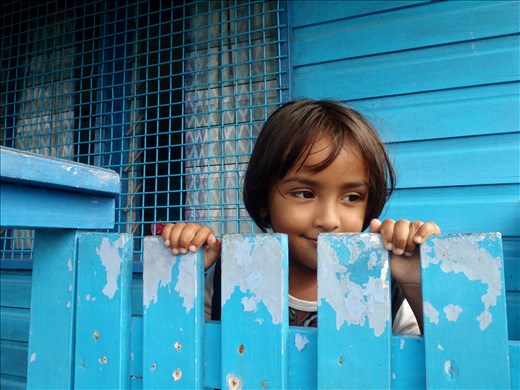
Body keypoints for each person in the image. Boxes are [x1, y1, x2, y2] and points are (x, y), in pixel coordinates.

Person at [161, 99, 440, 334]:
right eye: (305, 194)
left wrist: (415, 281)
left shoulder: (383, 286)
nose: (329, 220)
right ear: (263, 202)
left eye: (351, 197)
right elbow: (178, 351)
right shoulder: (230, 277)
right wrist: (185, 270)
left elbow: (440, 363)